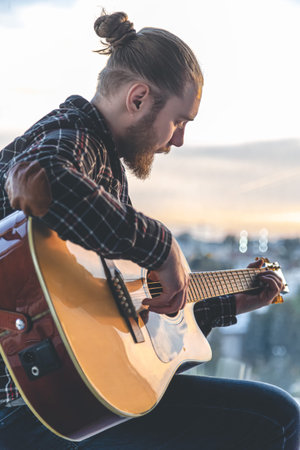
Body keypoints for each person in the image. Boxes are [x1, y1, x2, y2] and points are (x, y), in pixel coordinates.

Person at [0, 10, 299, 450]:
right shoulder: (72, 136)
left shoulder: (102, 165)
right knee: (277, 419)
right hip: (30, 411)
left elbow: (125, 322)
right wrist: (164, 248)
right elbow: (45, 178)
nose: (177, 140)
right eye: (180, 121)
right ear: (138, 98)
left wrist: (230, 303)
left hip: (63, 402)